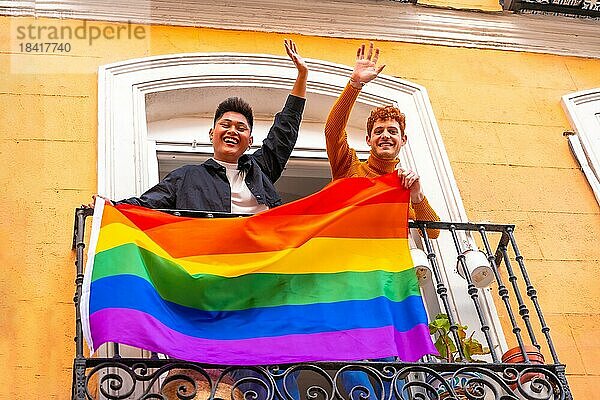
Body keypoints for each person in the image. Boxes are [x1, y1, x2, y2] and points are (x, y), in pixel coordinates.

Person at [86, 39, 307, 400]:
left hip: (260, 281)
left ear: (249, 138)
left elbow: (285, 131)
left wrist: (301, 77)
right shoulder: (187, 177)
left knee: (267, 369)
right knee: (204, 374)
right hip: (208, 282)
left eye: (240, 126)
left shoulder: (262, 170)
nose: (232, 130)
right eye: (225, 124)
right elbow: (147, 206)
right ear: (212, 133)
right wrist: (111, 208)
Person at [324, 42, 440, 399]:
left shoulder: (405, 185)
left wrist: (416, 197)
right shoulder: (351, 169)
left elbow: (433, 230)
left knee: (392, 362)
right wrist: (354, 84)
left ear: (403, 140)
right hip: (349, 280)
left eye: (392, 130)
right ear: (369, 139)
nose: (386, 135)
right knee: (352, 359)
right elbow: (332, 131)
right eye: (379, 131)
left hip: (389, 284)